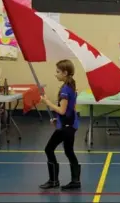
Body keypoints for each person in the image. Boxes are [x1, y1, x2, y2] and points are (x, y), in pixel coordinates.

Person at [39, 59, 81, 190]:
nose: (55, 74)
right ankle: (75, 181)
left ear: (65, 73)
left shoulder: (65, 90)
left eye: (57, 72)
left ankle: (53, 180)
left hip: (66, 128)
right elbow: (69, 110)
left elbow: (62, 110)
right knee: (69, 151)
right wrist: (59, 120)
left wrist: (47, 103)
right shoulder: (71, 86)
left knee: (48, 149)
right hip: (70, 125)